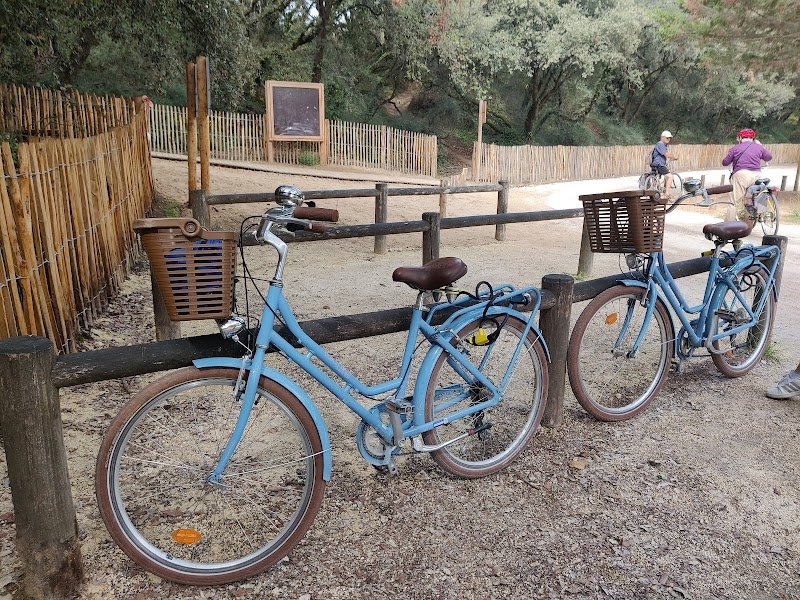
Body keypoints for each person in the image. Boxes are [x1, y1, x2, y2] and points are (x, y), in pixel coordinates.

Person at [721, 129, 772, 222]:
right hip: (756, 175)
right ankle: (750, 222)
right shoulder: (759, 147)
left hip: (741, 175)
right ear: (752, 138)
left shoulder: (735, 148)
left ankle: (728, 225)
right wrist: (761, 146)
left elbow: (725, 162)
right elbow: (769, 157)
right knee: (751, 198)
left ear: (740, 138)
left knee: (734, 201)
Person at [649, 131, 678, 199]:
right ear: (662, 137)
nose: (668, 139)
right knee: (670, 177)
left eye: (669, 138)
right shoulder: (660, 144)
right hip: (659, 164)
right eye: (667, 138)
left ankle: (655, 193)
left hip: (655, 164)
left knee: (657, 179)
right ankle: (667, 193)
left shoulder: (662, 144)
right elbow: (666, 154)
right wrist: (674, 157)